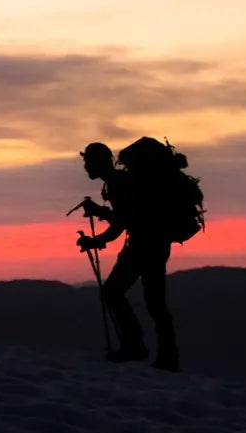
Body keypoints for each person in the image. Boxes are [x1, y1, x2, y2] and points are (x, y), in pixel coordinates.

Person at [76, 141, 179, 371]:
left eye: (88, 161)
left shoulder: (117, 183)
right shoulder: (120, 181)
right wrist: (100, 213)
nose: (85, 167)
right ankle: (167, 357)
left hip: (144, 245)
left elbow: (122, 222)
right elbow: (125, 216)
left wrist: (96, 240)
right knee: (154, 302)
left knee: (113, 292)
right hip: (154, 243)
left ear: (100, 162)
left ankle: (136, 347)